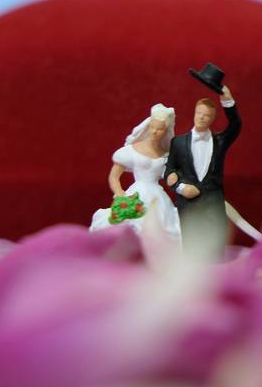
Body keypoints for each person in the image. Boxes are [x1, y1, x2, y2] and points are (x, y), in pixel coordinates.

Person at [165, 70, 240, 260]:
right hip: (188, 204)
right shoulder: (178, 142)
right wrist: (180, 187)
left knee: (215, 247)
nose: (201, 118)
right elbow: (169, 172)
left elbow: (236, 125)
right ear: (194, 113)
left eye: (206, 116)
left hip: (212, 203)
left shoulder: (220, 141)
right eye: (199, 113)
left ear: (212, 119)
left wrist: (227, 99)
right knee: (191, 249)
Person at [90, 103, 181, 241]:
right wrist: (120, 193)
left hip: (157, 197)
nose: (154, 132)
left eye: (160, 129)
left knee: (161, 225)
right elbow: (114, 177)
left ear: (166, 131)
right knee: (133, 222)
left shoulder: (167, 155)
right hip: (136, 194)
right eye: (152, 127)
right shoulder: (133, 150)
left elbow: (169, 177)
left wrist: (175, 177)